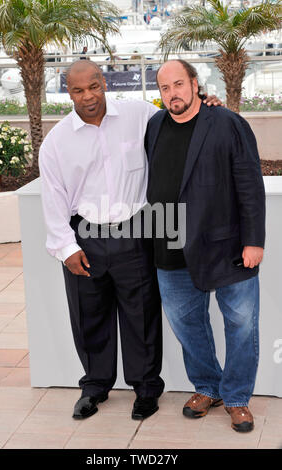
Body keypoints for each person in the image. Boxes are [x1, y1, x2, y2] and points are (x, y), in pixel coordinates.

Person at [39, 59, 221, 421]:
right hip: (85, 238)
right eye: (77, 90)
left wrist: (209, 104)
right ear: (68, 92)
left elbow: (180, 117)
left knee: (141, 316)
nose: (88, 96)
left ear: (103, 82)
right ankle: (94, 387)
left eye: (93, 86)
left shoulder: (140, 115)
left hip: (135, 233)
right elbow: (53, 197)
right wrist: (66, 248)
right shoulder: (57, 141)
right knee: (89, 316)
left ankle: (146, 389)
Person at [145, 59, 266, 433]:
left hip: (226, 246)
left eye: (179, 84)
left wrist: (254, 241)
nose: (173, 94)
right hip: (170, 245)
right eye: (165, 88)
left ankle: (237, 398)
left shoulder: (227, 122)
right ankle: (207, 387)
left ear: (195, 84)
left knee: (242, 325)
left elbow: (249, 184)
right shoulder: (154, 125)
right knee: (187, 325)